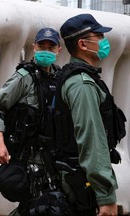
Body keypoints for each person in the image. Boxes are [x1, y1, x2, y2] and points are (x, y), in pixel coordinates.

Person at [0, 27, 62, 215]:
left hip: (52, 156)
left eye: (51, 47)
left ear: (58, 50)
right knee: (32, 204)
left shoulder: (61, 78)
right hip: (27, 155)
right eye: (41, 46)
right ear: (34, 47)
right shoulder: (24, 77)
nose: (46, 50)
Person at [58, 14, 118, 215]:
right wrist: (106, 196)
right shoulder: (82, 84)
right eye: (99, 36)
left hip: (73, 178)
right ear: (83, 44)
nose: (104, 41)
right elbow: (92, 140)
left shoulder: (75, 76)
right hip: (81, 184)